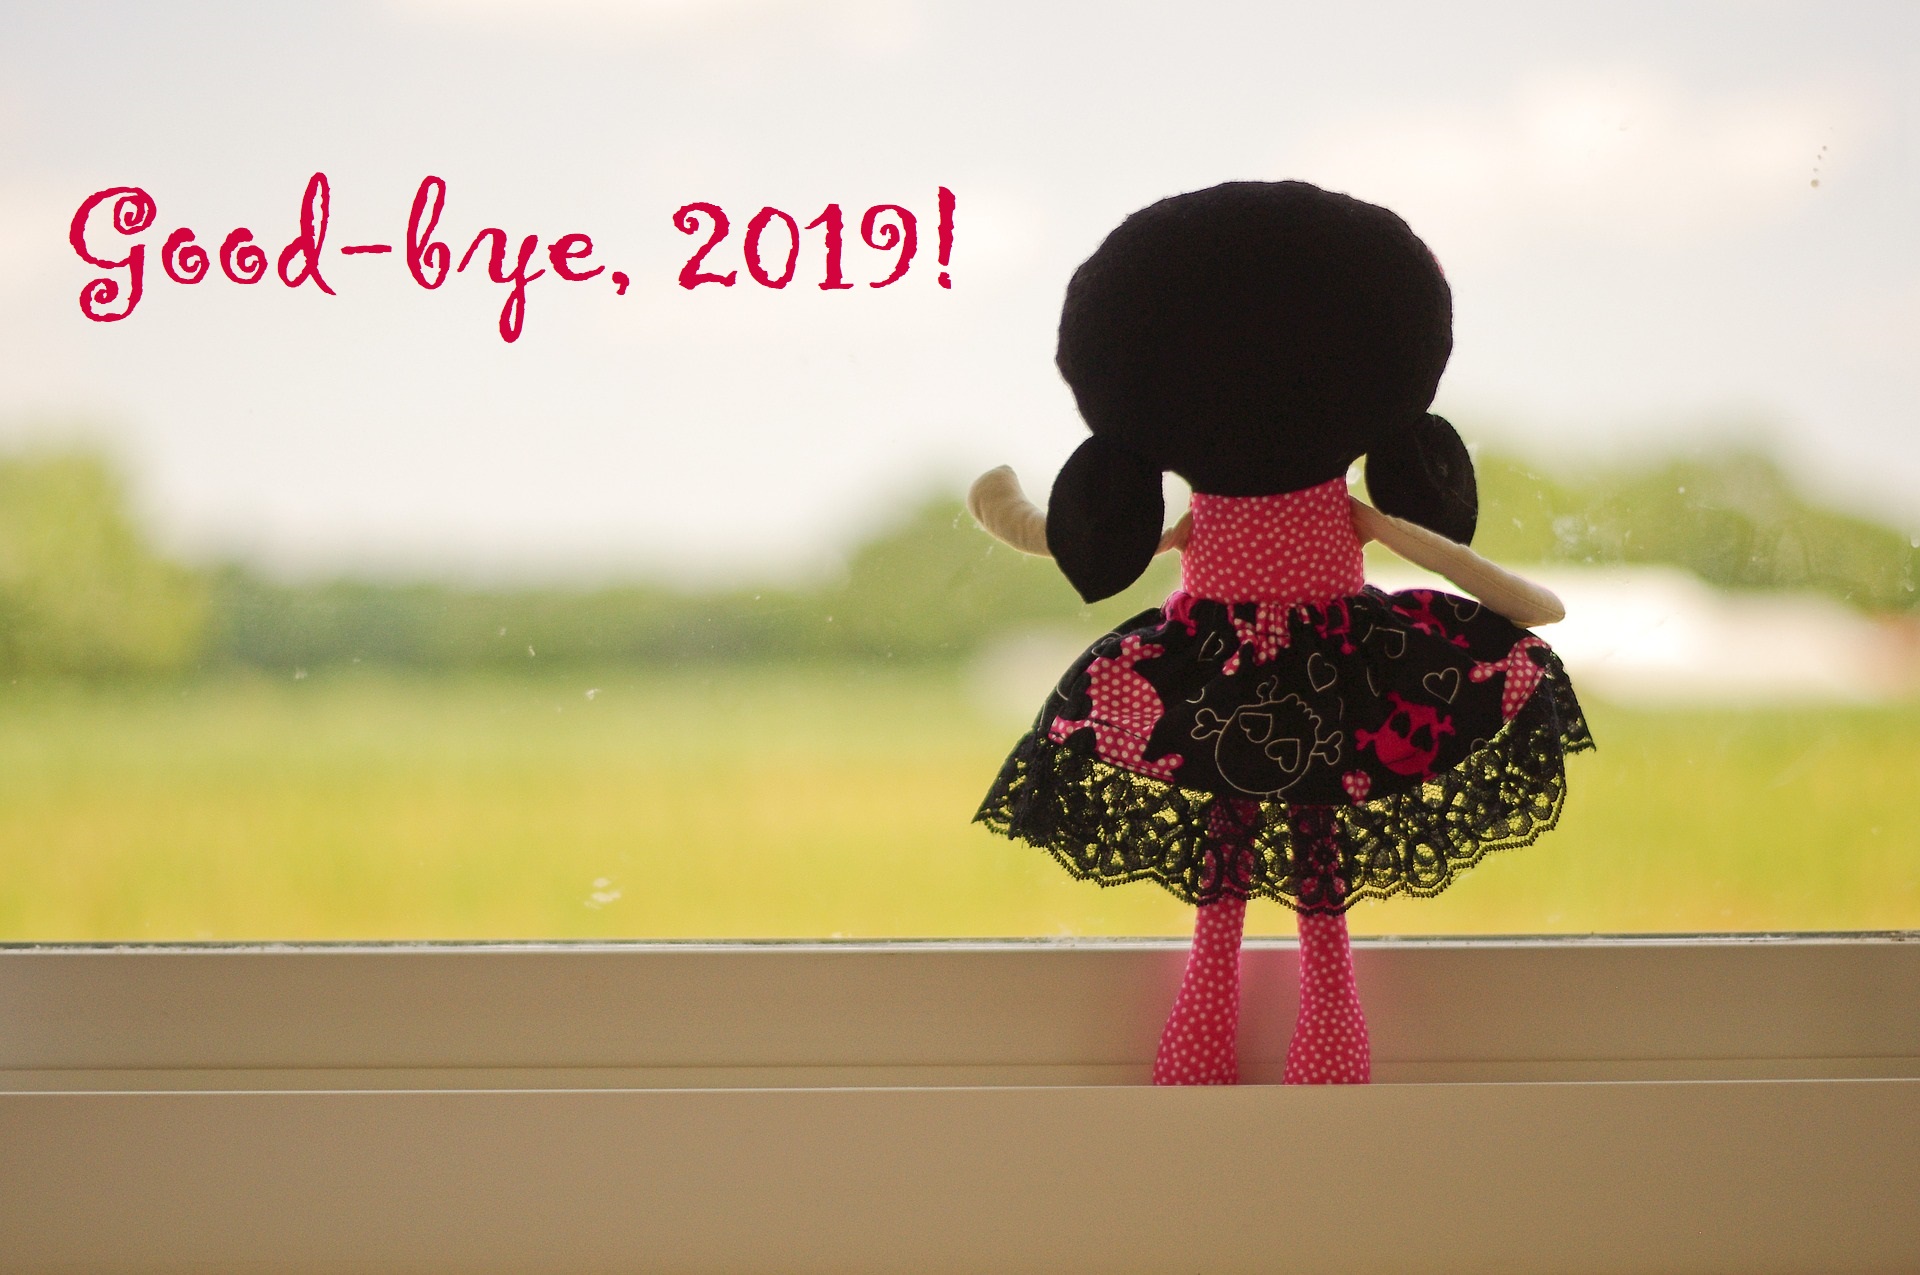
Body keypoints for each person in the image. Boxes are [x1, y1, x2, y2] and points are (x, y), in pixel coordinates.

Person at [969, 180, 1594, 1085]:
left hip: (1280, 673)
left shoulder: (1271, 499)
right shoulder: (1297, 500)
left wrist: (1512, 596)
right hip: (1284, 674)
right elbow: (1429, 548)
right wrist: (1514, 597)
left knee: (1274, 848)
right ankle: (1249, 1010)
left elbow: (1424, 547)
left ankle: (1270, 1013)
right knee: (1283, 848)